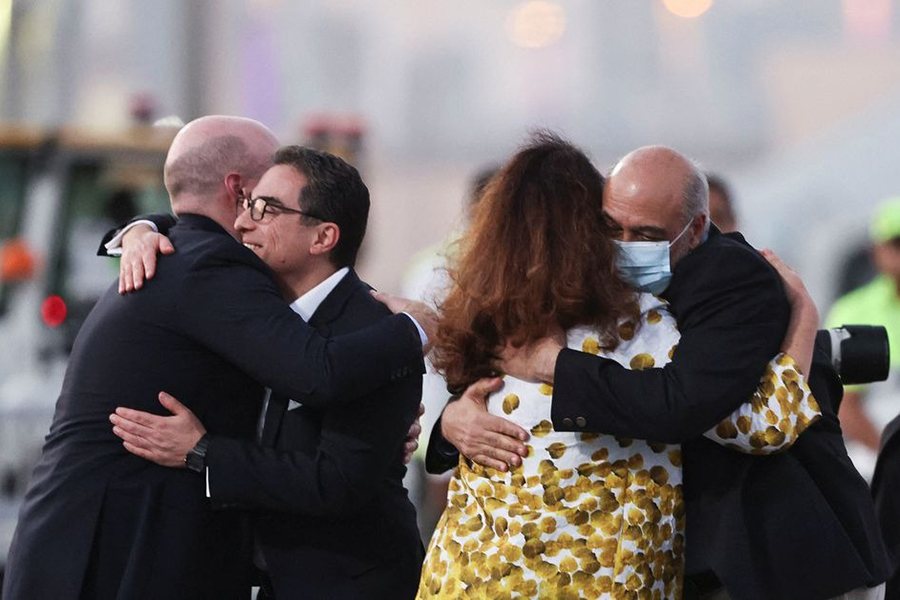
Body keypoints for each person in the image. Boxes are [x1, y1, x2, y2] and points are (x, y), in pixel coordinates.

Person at [423, 146, 891, 599]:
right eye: (611, 229)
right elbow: (763, 425)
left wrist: (468, 413)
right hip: (592, 581)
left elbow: (680, 402)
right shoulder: (636, 331)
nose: (624, 248)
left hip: (468, 576)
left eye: (645, 234)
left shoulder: (499, 326)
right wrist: (803, 321)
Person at [2, 117, 428, 600]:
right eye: (255, 200)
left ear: (322, 236)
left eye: (266, 206)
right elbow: (318, 372)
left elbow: (329, 445)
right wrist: (416, 329)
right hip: (108, 553)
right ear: (237, 190)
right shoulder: (208, 265)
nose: (248, 219)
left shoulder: (198, 261)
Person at [825, 197, 900, 474]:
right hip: (876, 469)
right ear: (877, 251)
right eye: (897, 243)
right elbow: (845, 405)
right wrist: (890, 457)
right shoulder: (853, 310)